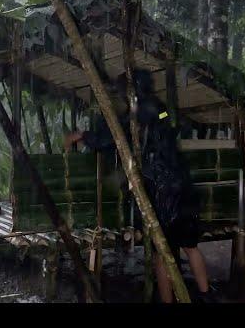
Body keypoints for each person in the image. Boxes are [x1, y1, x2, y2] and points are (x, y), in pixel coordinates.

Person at [63, 69, 216, 303]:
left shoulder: (138, 114)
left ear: (131, 91)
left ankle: (169, 301)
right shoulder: (160, 108)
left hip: (163, 191)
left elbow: (111, 137)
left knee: (161, 254)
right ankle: (206, 297)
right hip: (183, 186)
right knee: (190, 246)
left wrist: (81, 135)